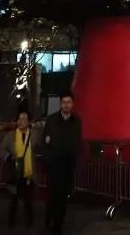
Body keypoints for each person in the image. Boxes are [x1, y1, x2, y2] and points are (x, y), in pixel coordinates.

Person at [42, 93, 82, 235]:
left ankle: (57, 225)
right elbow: (45, 142)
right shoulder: (51, 120)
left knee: (63, 197)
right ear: (60, 104)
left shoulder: (77, 121)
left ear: (73, 104)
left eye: (69, 102)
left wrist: (74, 161)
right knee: (53, 196)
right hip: (53, 165)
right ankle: (50, 218)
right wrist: (47, 161)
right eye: (64, 102)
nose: (66, 104)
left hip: (67, 166)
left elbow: (77, 142)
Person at [0, 108, 37, 228]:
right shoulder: (11, 135)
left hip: (28, 175)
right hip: (16, 173)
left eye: (24, 118)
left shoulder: (34, 135)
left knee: (27, 201)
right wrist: (8, 156)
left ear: (29, 122)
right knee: (13, 201)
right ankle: (11, 223)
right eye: (19, 118)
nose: (21, 121)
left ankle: (30, 223)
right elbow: (0, 150)